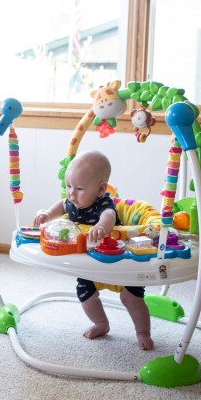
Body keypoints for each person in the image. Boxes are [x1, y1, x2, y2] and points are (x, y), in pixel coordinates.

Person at [33, 150, 153, 350]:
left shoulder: (103, 203)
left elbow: (108, 216)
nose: (71, 193)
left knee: (131, 298)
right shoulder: (72, 202)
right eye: (68, 185)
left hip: (120, 263)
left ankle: (143, 332)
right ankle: (101, 323)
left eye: (79, 188)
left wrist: (100, 228)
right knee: (85, 294)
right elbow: (61, 205)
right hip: (90, 265)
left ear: (100, 189)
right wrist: (47, 214)